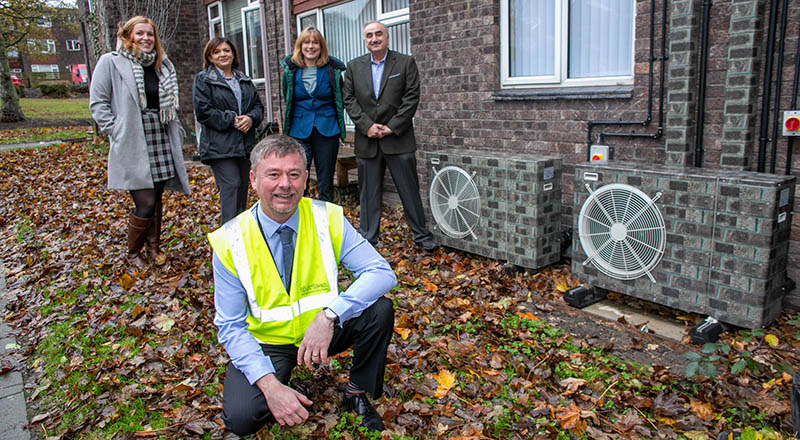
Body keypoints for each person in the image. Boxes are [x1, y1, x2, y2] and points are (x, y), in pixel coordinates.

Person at [208, 135, 397, 436]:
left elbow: (382, 272)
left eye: (294, 174)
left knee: (380, 309)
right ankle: (279, 380)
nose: (285, 184)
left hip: (324, 330)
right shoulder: (229, 241)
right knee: (242, 419)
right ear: (254, 180)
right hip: (270, 343)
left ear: (305, 178)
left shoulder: (327, 218)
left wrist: (330, 315)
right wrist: (269, 385)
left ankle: (356, 393)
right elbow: (230, 326)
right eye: (274, 174)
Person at [90, 16, 190, 268]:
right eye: (140, 33)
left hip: (159, 135)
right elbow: (98, 102)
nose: (146, 38)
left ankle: (154, 247)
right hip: (133, 138)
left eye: (150, 34)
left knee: (157, 197)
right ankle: (133, 252)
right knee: (144, 201)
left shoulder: (161, 65)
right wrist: (116, 130)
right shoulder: (111, 63)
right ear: (128, 36)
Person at [342, 21, 438, 252]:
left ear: (387, 37)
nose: (374, 39)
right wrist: (367, 126)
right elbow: (349, 99)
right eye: (369, 36)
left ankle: (421, 236)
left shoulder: (405, 62)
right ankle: (368, 238)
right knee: (368, 195)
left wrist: (391, 127)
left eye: (378, 34)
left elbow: (411, 97)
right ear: (364, 40)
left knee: (409, 191)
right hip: (368, 140)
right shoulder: (354, 67)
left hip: (398, 139)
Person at [193, 37, 264, 224]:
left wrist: (250, 118)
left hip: (244, 144)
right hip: (220, 146)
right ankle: (229, 238)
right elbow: (203, 111)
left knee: (242, 191)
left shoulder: (244, 79)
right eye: (216, 52)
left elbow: (258, 107)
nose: (222, 54)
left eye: (226, 50)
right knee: (231, 186)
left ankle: (241, 234)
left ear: (233, 54)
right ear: (209, 56)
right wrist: (231, 120)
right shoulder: (204, 80)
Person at [281, 27, 346, 203]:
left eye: (315, 42)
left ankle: (324, 219)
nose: (311, 46)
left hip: (327, 128)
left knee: (326, 179)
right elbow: (287, 96)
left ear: (321, 46)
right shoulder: (291, 70)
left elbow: (339, 97)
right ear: (300, 46)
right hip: (299, 130)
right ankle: (299, 215)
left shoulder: (332, 70)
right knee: (298, 176)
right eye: (306, 42)